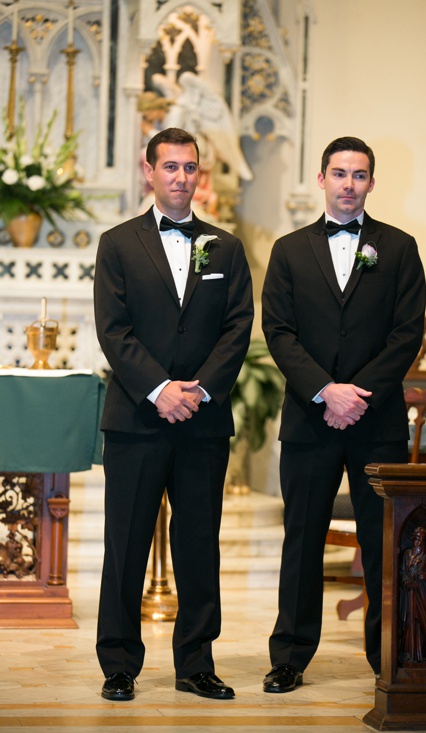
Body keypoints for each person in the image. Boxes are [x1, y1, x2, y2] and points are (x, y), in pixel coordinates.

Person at [93, 127, 254, 701]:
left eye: (189, 168)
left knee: (198, 545)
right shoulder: (116, 244)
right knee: (127, 544)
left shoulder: (226, 248)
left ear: (199, 174)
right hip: (136, 420)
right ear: (149, 171)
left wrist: (200, 390)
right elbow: (113, 330)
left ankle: (196, 663)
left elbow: (238, 327)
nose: (181, 177)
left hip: (203, 422)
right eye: (170, 167)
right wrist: (160, 389)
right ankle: (118, 663)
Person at [261, 136, 426, 692]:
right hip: (309, 419)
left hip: (375, 423)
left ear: (372, 183)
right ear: (321, 179)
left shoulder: (399, 248)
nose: (349, 184)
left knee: (385, 543)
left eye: (359, 175)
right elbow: (278, 333)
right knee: (301, 539)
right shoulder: (288, 250)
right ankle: (289, 656)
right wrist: (325, 392)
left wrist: (356, 396)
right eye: (339, 173)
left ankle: (390, 656)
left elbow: (407, 335)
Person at [398, 527, 426, 664]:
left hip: (423, 593)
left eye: (421, 539)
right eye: (416, 538)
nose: (418, 542)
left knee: (423, 623)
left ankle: (421, 654)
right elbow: (402, 572)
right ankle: (408, 653)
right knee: (410, 622)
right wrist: (407, 581)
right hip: (409, 593)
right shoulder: (407, 554)